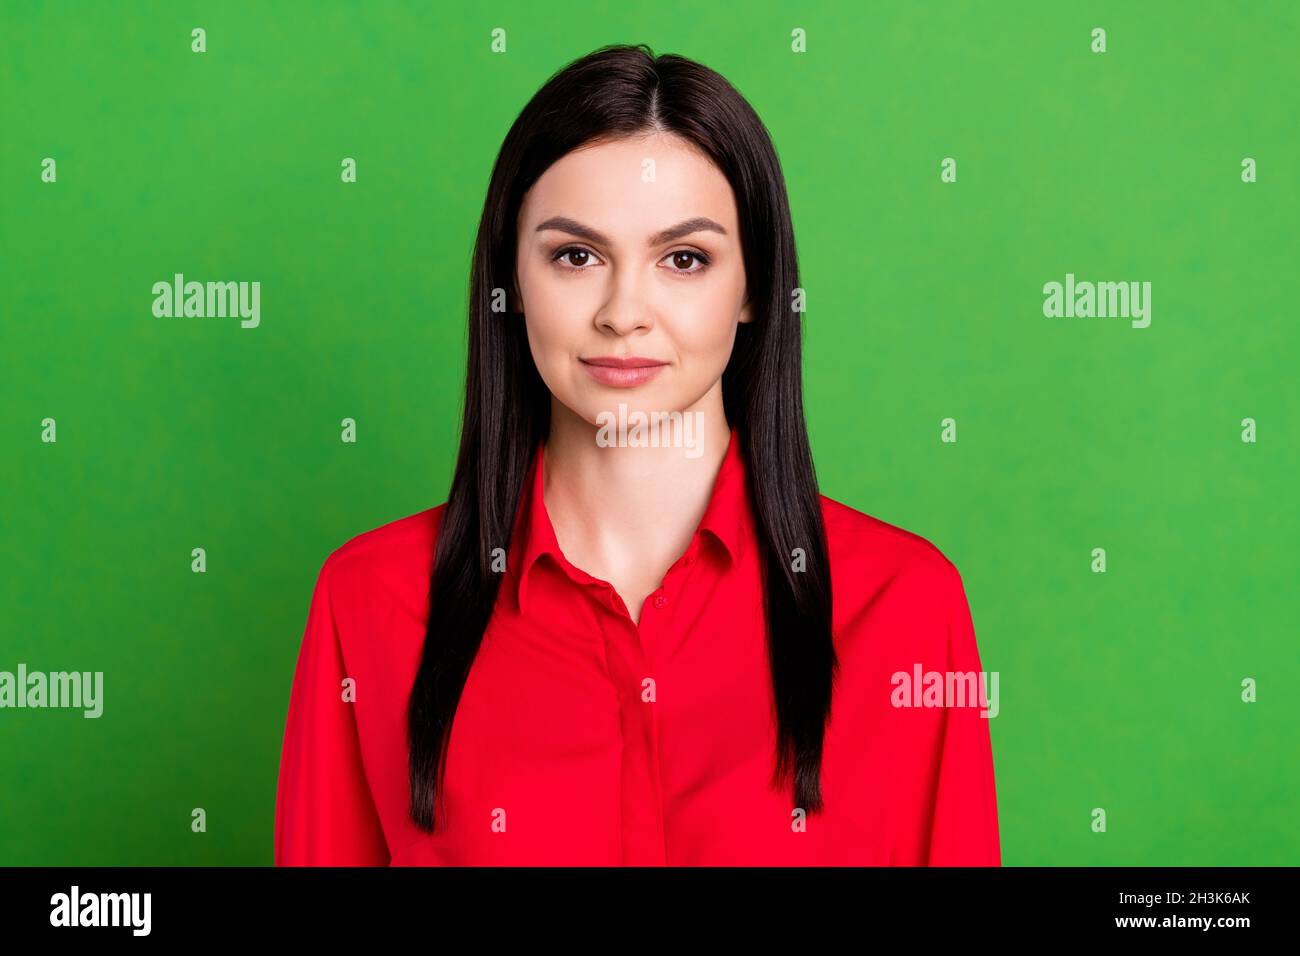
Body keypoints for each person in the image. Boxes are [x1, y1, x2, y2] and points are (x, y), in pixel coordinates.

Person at [274, 43, 1000, 866]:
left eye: (684, 259)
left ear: (755, 286)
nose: (625, 312)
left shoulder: (906, 607)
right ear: (510, 281)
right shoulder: (368, 601)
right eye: (575, 256)